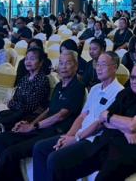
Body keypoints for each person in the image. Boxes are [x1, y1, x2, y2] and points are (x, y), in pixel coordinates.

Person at [42, 62, 136, 181]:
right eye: (132, 77)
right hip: (105, 143)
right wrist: (124, 129)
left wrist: (110, 117)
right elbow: (102, 119)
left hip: (129, 151)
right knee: (57, 160)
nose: (134, 81)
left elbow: (133, 125)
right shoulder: (125, 93)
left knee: (103, 177)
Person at [0, 51, 86, 181]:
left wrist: (34, 126)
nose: (63, 67)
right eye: (61, 63)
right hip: (43, 128)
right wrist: (31, 124)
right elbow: (48, 110)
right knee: (1, 139)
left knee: (11, 152)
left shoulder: (77, 87)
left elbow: (60, 115)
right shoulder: (58, 86)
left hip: (56, 131)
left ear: (76, 66)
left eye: (68, 63)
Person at [32, 51, 125, 180]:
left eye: (103, 65)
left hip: (94, 140)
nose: (98, 68)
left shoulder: (120, 93)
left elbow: (100, 124)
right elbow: (82, 116)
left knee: (55, 158)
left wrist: (75, 139)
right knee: (40, 148)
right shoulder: (95, 88)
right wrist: (68, 136)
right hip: (79, 134)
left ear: (115, 67)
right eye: (97, 64)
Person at [0, 48, 51, 179]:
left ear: (40, 62)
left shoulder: (42, 80)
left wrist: (16, 103)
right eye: (27, 58)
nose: (28, 61)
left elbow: (30, 106)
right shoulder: (24, 78)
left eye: (33, 59)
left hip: (27, 118)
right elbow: (12, 101)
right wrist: (16, 103)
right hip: (15, 114)